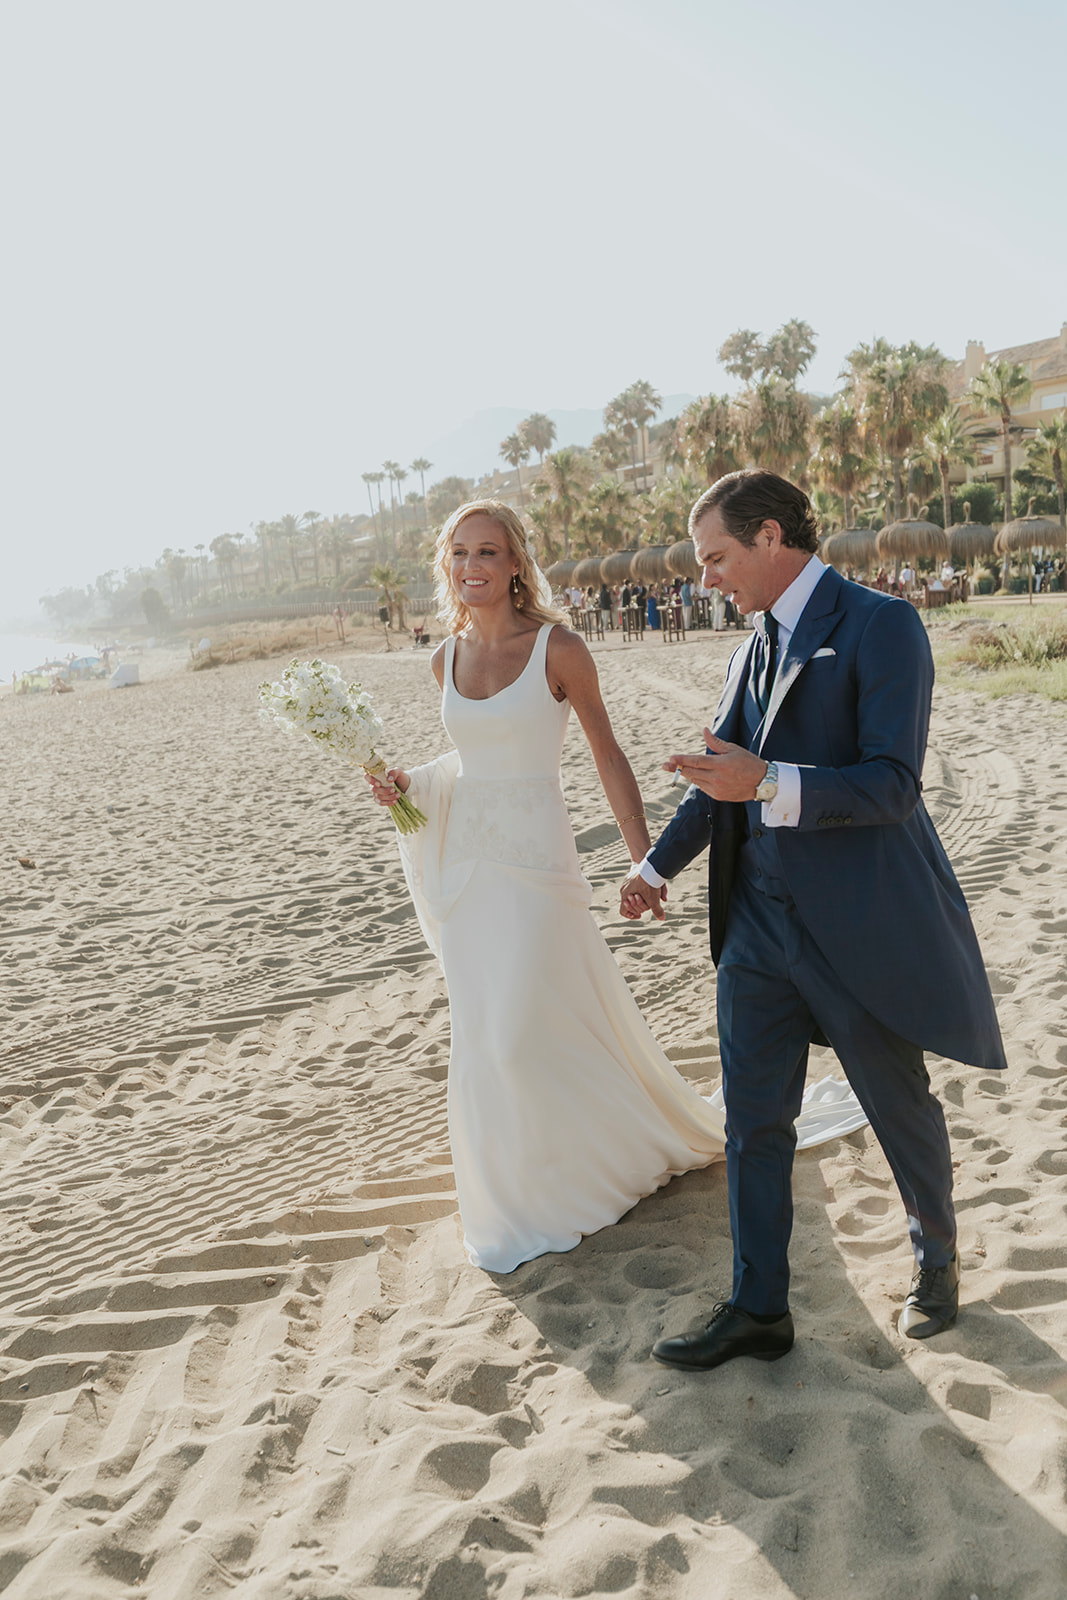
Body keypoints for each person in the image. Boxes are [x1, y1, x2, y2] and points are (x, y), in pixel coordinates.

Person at [366, 499, 864, 1274]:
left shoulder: (556, 649)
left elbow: (607, 758)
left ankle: (586, 1173)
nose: (472, 567)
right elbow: (467, 762)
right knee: (490, 1033)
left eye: (488, 552)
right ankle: (522, 1188)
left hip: (537, 863)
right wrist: (408, 784)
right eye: (460, 553)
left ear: (514, 563)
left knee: (526, 1023)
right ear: (446, 565)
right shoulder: (445, 660)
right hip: (467, 865)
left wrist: (644, 862)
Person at [621, 470, 1006, 1372]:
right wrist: (650, 868)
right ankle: (758, 1307)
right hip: (753, 928)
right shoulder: (747, 647)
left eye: (716, 558)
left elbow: (891, 784)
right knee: (753, 1124)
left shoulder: (880, 624)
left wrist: (770, 784)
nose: (705, 578)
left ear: (768, 538)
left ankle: (935, 1264)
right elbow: (719, 776)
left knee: (893, 1102)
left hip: (856, 924)